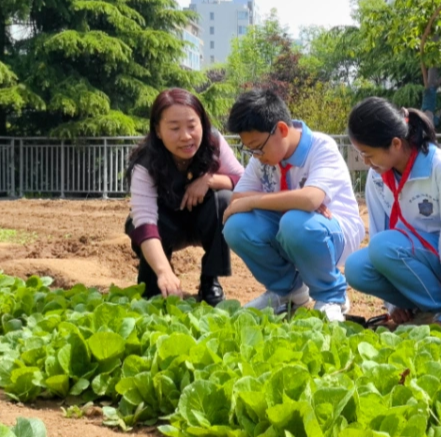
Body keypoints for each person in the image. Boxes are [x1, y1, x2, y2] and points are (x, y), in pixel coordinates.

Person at [222, 89, 364, 322]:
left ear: (282, 130)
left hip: (334, 233)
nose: (255, 155)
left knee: (296, 222)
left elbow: (309, 200)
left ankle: (331, 296)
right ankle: (288, 292)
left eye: (257, 147)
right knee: (237, 226)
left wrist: (266, 200)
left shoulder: (321, 146)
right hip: (292, 228)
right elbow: (238, 200)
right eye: (250, 149)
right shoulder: (264, 157)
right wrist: (294, 199)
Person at [344, 97, 441, 331]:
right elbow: (380, 231)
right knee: (356, 268)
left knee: (383, 246)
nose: (365, 162)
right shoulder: (377, 176)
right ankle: (416, 310)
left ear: (396, 144)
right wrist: (392, 305)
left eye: (368, 154)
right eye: (360, 154)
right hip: (407, 256)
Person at [125, 88, 243, 304]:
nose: (186, 136)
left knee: (225, 200)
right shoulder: (145, 163)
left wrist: (209, 180)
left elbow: (242, 181)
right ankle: (155, 278)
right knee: (153, 298)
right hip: (164, 227)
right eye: (174, 128)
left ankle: (210, 281)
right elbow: (145, 222)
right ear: (158, 131)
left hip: (201, 221)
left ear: (202, 123)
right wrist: (163, 271)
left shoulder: (213, 142)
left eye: (191, 125)